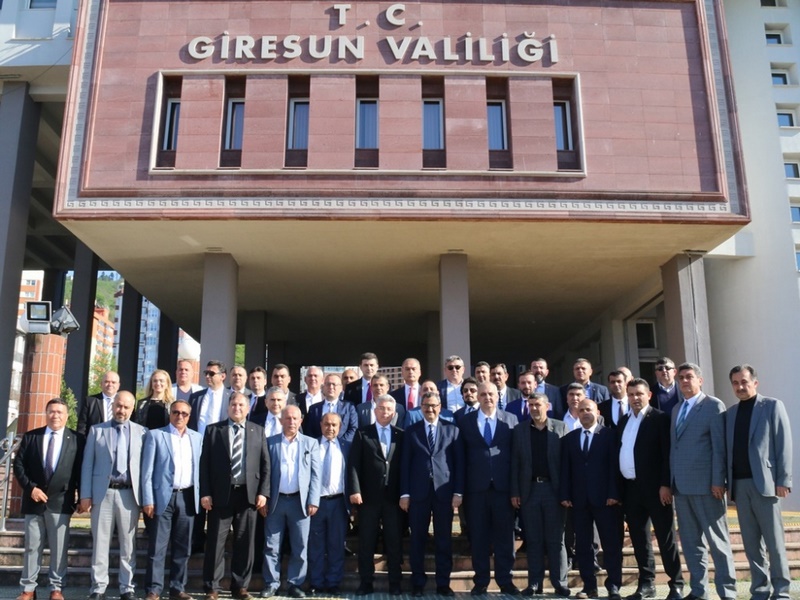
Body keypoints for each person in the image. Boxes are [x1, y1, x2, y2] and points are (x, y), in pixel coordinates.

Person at [670, 362, 736, 600]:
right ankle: (699, 591)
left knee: (718, 542)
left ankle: (727, 591)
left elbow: (719, 447)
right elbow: (675, 447)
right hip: (681, 487)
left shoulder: (713, 405)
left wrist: (719, 481)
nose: (684, 381)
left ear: (700, 380)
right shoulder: (677, 409)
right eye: (681, 378)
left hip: (708, 487)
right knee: (690, 543)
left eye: (689, 377)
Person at [726, 364, 792, 600]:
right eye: (735, 383)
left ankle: (781, 591)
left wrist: (783, 479)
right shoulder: (730, 414)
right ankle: (760, 590)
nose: (740, 387)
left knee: (774, 543)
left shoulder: (772, 406)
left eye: (744, 381)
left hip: (766, 484)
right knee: (751, 544)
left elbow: (783, 443)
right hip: (739, 486)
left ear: (755, 382)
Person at [200, 392, 270, 600]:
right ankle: (212, 588)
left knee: (245, 543)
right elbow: (204, 465)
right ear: (228, 407)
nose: (237, 408)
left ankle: (240, 587)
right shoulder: (214, 430)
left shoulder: (258, 431)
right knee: (215, 543)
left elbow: (265, 465)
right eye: (233, 404)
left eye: (241, 405)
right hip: (221, 496)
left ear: (247, 409)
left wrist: (263, 492)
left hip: (248, 496)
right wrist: (205, 492)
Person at [618, 379, 683, 600]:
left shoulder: (660, 418)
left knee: (665, 537)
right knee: (639, 539)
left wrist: (666, 485)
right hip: (631, 489)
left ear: (649, 395)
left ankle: (676, 584)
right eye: (631, 394)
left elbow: (667, 454)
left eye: (639, 394)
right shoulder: (624, 421)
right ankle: (646, 584)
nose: (635, 398)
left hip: (657, 489)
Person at [79, 390, 147, 600]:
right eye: (118, 406)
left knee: (129, 544)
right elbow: (87, 464)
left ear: (132, 409)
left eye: (126, 407)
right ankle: (98, 587)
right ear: (112, 406)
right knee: (100, 543)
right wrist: (85, 494)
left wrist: (146, 498)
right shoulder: (97, 431)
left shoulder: (142, 433)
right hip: (103, 493)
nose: (121, 410)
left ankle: (127, 587)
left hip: (129, 495)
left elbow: (145, 469)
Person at [13, 398, 83, 600]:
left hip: (61, 502)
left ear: (67, 416)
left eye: (60, 412)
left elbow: (80, 471)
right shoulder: (31, 437)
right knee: (32, 547)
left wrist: (81, 497)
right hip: (34, 502)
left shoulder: (77, 439)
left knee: (59, 548)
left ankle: (56, 588)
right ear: (46, 413)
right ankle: (28, 589)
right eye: (52, 411)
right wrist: (30, 488)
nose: (55, 415)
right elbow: (19, 466)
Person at [400, 390, 464, 597]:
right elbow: (405, 464)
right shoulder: (411, 431)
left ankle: (443, 583)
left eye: (434, 406)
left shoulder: (452, 430)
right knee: (417, 539)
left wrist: (458, 492)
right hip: (418, 493)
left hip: (444, 492)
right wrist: (404, 494)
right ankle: (417, 583)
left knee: (443, 540)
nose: (430, 409)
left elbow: (459, 464)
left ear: (440, 408)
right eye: (426, 406)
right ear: (421, 408)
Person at [458, 381, 520, 595]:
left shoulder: (510, 420)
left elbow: (516, 457)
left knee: (505, 538)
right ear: (477, 397)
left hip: (503, 489)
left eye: (491, 394)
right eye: (483, 394)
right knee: (478, 537)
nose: (487, 398)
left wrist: (515, 490)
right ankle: (481, 581)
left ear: (497, 396)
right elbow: (460, 458)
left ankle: (506, 580)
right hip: (475, 490)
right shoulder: (465, 422)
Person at [560, 399, 622, 600]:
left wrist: (614, 493)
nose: (585, 413)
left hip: (605, 500)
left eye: (589, 409)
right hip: (579, 501)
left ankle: (613, 585)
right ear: (576, 414)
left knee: (610, 544)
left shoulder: (609, 435)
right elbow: (566, 469)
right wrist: (565, 495)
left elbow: (614, 466)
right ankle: (589, 586)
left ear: (598, 412)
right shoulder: (569, 439)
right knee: (583, 545)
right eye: (581, 410)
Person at [141, 399, 203, 600]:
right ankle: (154, 590)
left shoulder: (197, 438)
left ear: (189, 416)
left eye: (184, 413)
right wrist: (148, 499)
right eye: (176, 412)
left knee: (183, 547)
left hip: (187, 497)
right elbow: (147, 471)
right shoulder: (156, 435)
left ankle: (178, 588)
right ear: (170, 413)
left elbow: (200, 470)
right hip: (162, 498)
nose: (180, 416)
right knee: (157, 547)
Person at [510, 393, 569, 598]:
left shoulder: (560, 428)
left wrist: (566, 492)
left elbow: (567, 463)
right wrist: (515, 491)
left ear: (548, 406)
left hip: (554, 490)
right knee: (533, 540)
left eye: (538, 405)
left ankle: (560, 583)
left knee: (556, 540)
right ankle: (534, 583)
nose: (534, 408)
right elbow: (515, 463)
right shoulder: (520, 430)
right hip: (529, 491)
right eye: (531, 405)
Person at [262, 405, 321, 599]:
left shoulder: (311, 443)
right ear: (281, 421)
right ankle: (271, 583)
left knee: (300, 545)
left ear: (301, 420)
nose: (292, 422)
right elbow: (264, 473)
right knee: (271, 545)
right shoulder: (270, 442)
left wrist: (313, 500)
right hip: (276, 502)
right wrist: (264, 498)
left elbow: (316, 475)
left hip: (300, 502)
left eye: (295, 418)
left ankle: (295, 584)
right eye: (287, 418)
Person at [348, 395, 405, 595]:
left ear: (394, 413)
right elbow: (354, 464)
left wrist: (405, 494)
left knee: (394, 542)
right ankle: (366, 582)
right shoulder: (362, 433)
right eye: (381, 408)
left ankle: (395, 582)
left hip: (393, 498)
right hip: (368, 498)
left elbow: (404, 466)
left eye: (389, 409)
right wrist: (355, 490)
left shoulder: (400, 435)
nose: (385, 412)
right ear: (375, 410)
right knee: (367, 541)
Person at [308, 412, 350, 595]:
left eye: (334, 425)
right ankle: (316, 582)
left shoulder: (347, 446)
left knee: (336, 545)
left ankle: (333, 582)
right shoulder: (311, 445)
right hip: (316, 503)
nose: (330, 428)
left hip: (338, 503)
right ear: (320, 425)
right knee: (315, 545)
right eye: (327, 424)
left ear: (340, 427)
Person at [305, 373, 358, 441]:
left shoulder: (349, 407)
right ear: (323, 387)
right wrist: (317, 443)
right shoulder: (314, 408)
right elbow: (309, 430)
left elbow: (353, 428)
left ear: (341, 388)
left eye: (334, 384)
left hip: (342, 445)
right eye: (328, 384)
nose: (331, 387)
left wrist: (340, 443)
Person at [187, 361, 231, 435]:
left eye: (211, 373)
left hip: (220, 439)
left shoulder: (231, 397)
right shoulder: (195, 397)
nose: (207, 376)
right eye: (206, 373)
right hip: (198, 439)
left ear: (222, 376)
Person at [77, 371, 120, 436]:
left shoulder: (124, 402)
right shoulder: (90, 401)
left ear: (118, 385)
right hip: (95, 440)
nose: (110, 384)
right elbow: (82, 426)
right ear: (101, 384)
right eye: (106, 382)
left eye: (113, 382)